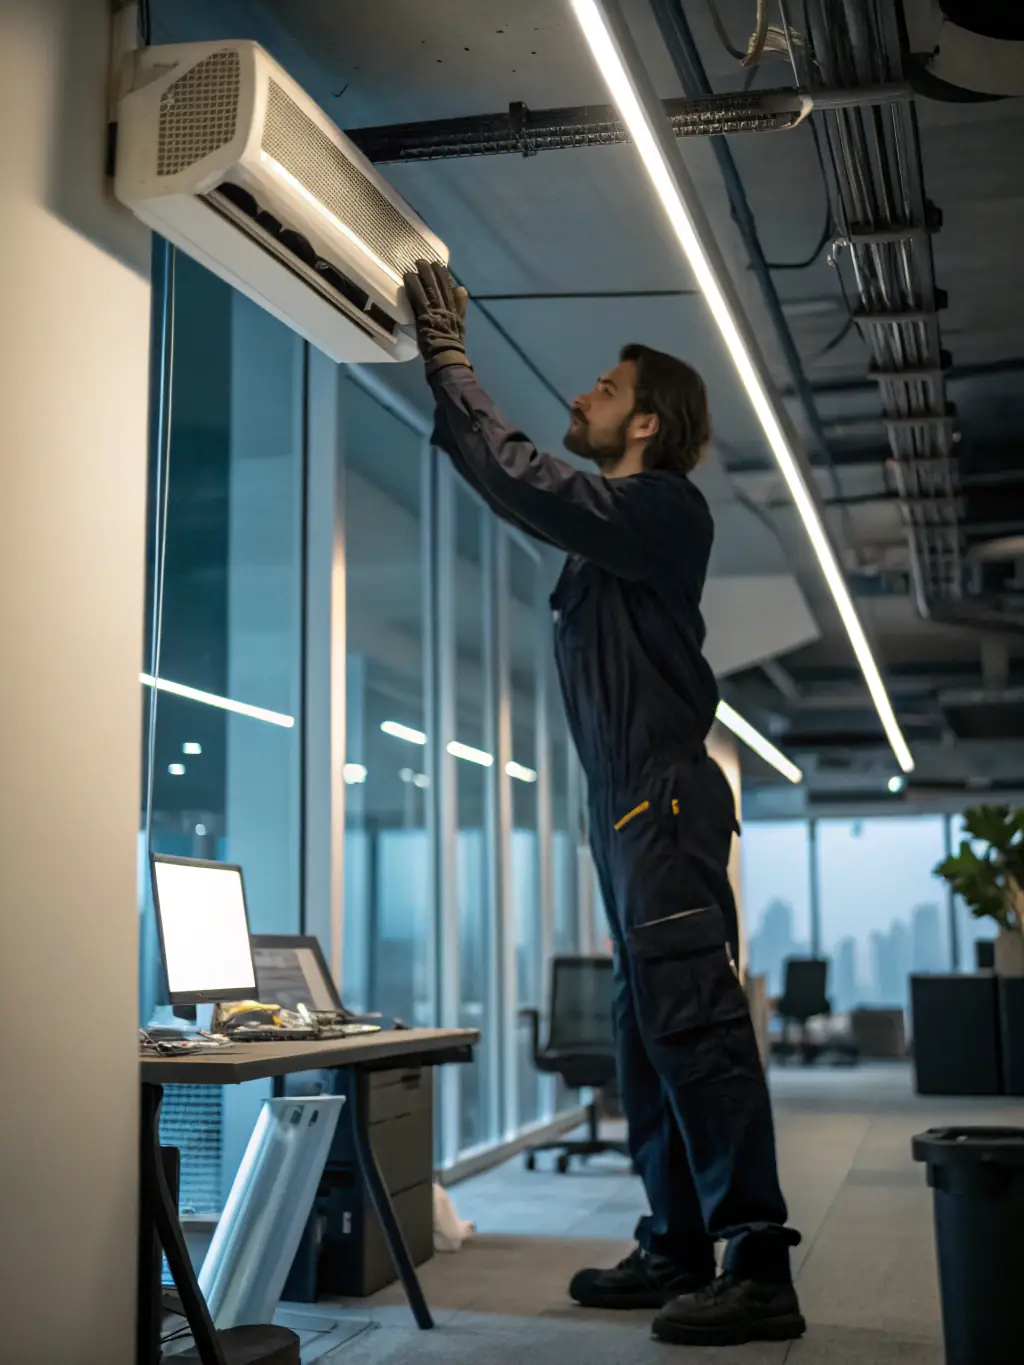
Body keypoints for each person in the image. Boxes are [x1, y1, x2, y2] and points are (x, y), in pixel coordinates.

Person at [403, 260, 803, 1347]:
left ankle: (757, 1263)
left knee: (692, 1021)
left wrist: (453, 366)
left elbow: (523, 479)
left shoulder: (662, 511)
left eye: (603, 388)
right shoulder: (616, 538)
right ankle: (675, 1243)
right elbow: (527, 487)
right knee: (644, 1036)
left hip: (660, 804)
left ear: (646, 424)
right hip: (625, 811)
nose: (583, 394)